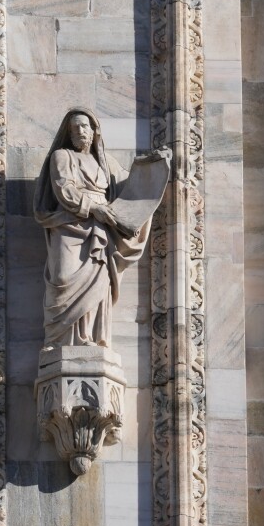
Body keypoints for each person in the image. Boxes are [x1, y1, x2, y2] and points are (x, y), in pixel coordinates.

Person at [34, 107, 168, 350]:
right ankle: (59, 341)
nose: (79, 131)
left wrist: (155, 166)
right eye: (74, 127)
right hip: (69, 224)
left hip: (100, 229)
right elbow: (64, 189)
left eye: (84, 126)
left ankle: (91, 338)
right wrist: (93, 207)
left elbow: (129, 187)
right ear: (68, 132)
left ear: (94, 130)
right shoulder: (62, 156)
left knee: (98, 282)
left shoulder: (106, 163)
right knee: (63, 277)